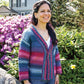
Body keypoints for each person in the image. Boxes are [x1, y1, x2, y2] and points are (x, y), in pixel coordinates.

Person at [18, 0, 62, 84]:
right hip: (35, 80)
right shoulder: (29, 33)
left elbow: (56, 55)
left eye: (48, 11)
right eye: (42, 11)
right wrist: (25, 81)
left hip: (52, 79)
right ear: (36, 14)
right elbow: (23, 59)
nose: (46, 14)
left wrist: (57, 75)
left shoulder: (52, 33)